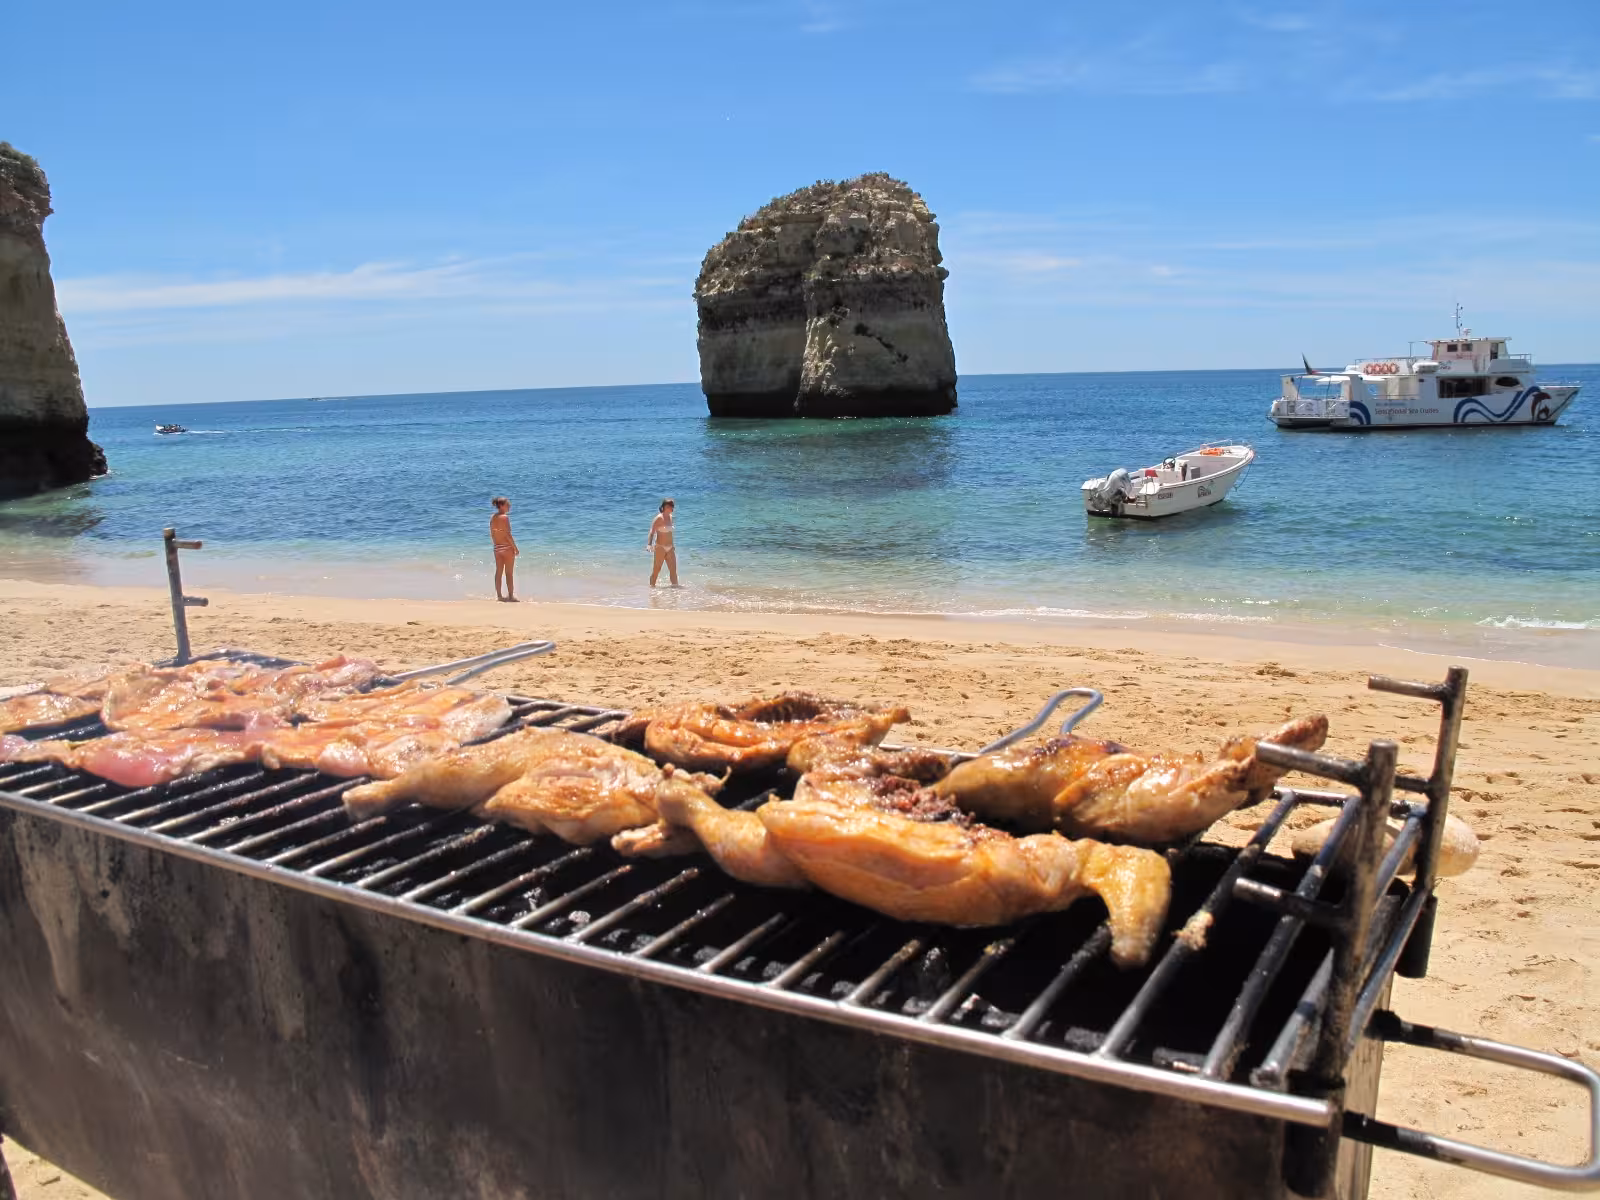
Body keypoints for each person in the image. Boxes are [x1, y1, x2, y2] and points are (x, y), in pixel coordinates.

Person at [490, 496, 519, 602]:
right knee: (509, 573)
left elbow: (492, 534)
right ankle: (511, 596)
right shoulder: (504, 517)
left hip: (497, 547)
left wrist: (497, 545)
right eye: (508, 504)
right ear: (501, 506)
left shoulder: (493, 517)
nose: (509, 506)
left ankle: (499, 596)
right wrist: (515, 548)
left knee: (498, 572)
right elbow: (508, 534)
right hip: (507, 548)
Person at [647, 498, 679, 587]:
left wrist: (673, 545)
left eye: (672, 506)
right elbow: (651, 532)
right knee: (656, 570)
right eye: (668, 506)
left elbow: (670, 533)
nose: (671, 508)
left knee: (673, 571)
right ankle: (651, 590)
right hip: (660, 547)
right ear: (664, 507)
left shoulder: (671, 517)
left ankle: (675, 593)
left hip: (670, 548)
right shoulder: (658, 518)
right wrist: (649, 544)